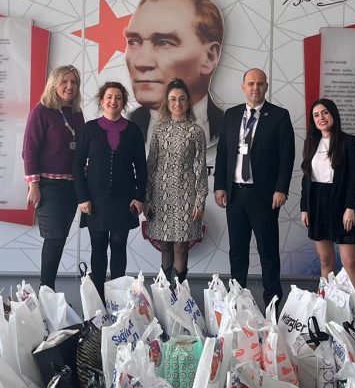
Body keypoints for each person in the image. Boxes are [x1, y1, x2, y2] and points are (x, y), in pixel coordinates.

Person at [214, 68, 294, 306]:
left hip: (264, 196)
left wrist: (281, 188)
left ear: (266, 87)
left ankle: (272, 306)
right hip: (235, 194)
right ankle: (237, 304)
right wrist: (219, 186)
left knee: (268, 253)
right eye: (251, 83)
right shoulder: (231, 115)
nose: (255, 88)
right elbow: (223, 153)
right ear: (243, 87)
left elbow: (287, 155)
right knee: (237, 252)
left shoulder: (279, 116)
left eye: (260, 84)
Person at [125, 0, 225, 148]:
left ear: (209, 57)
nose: (140, 62)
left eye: (164, 42)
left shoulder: (227, 127)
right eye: (133, 41)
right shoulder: (127, 127)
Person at [74, 81, 147, 297]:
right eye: (109, 97)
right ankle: (98, 297)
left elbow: (141, 167)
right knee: (98, 247)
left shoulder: (133, 130)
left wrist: (139, 196)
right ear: (101, 101)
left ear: (123, 102)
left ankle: (117, 297)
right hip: (95, 201)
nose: (113, 101)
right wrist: (82, 197)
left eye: (118, 97)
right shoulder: (89, 129)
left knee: (118, 245)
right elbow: (77, 165)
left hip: (124, 201)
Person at [22, 65, 84, 288]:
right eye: (64, 82)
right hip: (49, 186)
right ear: (54, 84)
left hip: (72, 186)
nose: (69, 86)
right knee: (54, 238)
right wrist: (34, 185)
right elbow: (29, 150)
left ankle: (47, 292)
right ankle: (46, 290)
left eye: (74, 82)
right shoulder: (41, 111)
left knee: (60, 238)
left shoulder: (76, 113)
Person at [300, 99, 355, 295]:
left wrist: (350, 207)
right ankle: (325, 304)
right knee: (325, 261)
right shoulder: (311, 143)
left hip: (342, 204)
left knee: (350, 262)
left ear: (333, 115)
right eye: (316, 115)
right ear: (313, 121)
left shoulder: (348, 141)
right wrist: (304, 207)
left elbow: (353, 179)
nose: (321, 118)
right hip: (317, 204)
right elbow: (306, 178)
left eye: (325, 112)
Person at [145, 79, 208, 283]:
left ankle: (179, 293)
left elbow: (200, 167)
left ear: (188, 102)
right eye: (173, 99)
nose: (177, 104)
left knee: (181, 245)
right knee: (164, 244)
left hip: (186, 195)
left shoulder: (196, 131)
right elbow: (151, 165)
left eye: (182, 99)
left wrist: (200, 200)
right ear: (167, 102)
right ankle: (164, 293)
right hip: (160, 196)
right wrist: (147, 198)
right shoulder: (159, 130)